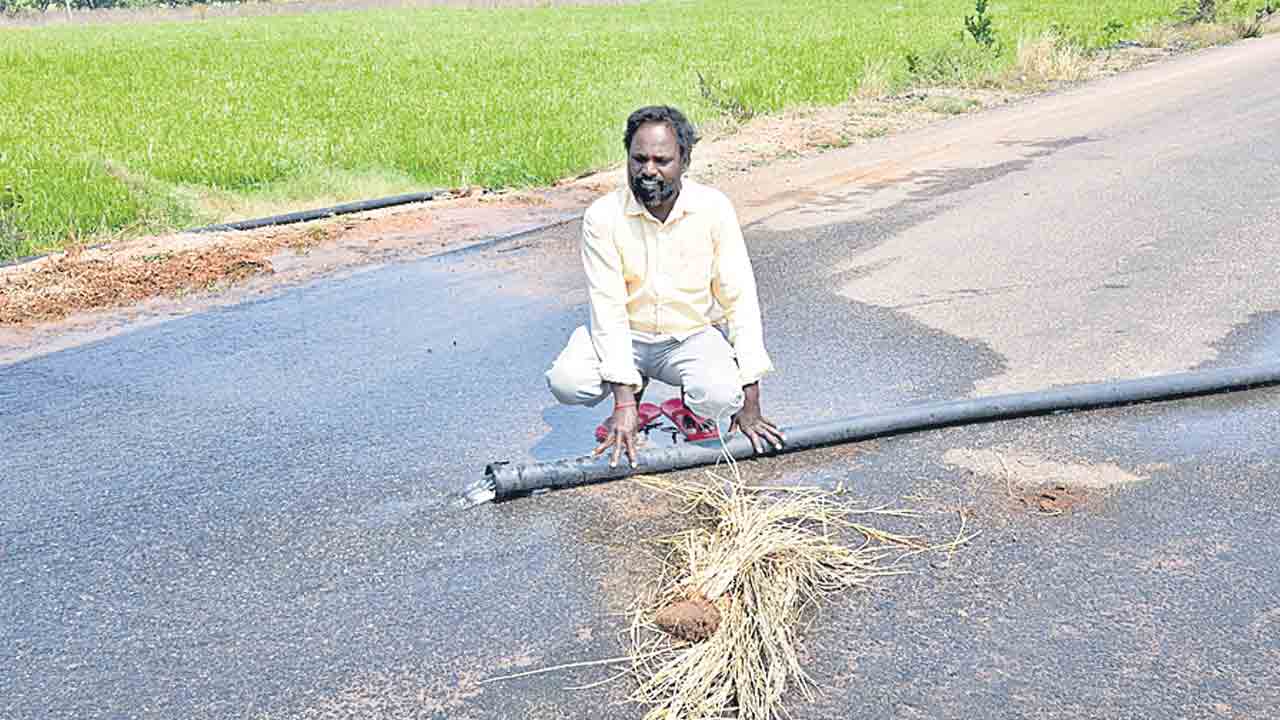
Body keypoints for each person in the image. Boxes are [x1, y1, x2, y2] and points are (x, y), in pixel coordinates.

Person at [546, 105, 784, 468]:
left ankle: (689, 405)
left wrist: (750, 402)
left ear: (684, 161)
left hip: (687, 337)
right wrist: (624, 406)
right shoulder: (603, 216)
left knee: (721, 396)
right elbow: (608, 308)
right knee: (568, 381)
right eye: (638, 159)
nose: (648, 170)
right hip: (626, 334)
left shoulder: (713, 209)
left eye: (662, 159)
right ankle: (634, 402)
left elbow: (740, 300)